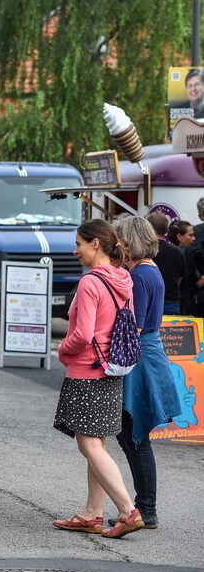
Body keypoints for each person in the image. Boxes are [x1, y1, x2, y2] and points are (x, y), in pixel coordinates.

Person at [51, 218, 144, 539]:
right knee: (98, 442)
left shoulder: (91, 282)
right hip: (112, 368)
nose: (74, 250)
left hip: (87, 369)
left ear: (95, 244)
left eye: (78, 244)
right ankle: (92, 512)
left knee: (88, 443)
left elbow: (82, 334)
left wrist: (63, 349)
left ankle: (127, 510)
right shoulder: (123, 278)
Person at [112, 216, 182, 529]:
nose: (119, 244)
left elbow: (134, 326)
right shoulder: (149, 270)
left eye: (122, 239)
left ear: (132, 240)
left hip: (140, 357)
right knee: (134, 435)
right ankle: (144, 507)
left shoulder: (139, 274)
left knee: (134, 435)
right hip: (149, 353)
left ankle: (145, 508)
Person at [145, 212, 184, 316]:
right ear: (166, 229)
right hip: (171, 302)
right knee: (173, 332)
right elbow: (180, 278)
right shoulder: (177, 251)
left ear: (148, 228)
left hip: (148, 301)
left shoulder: (144, 251)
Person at [167, 219, 204, 317]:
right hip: (182, 304)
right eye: (190, 235)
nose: (194, 238)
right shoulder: (188, 252)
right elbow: (196, 280)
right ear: (179, 236)